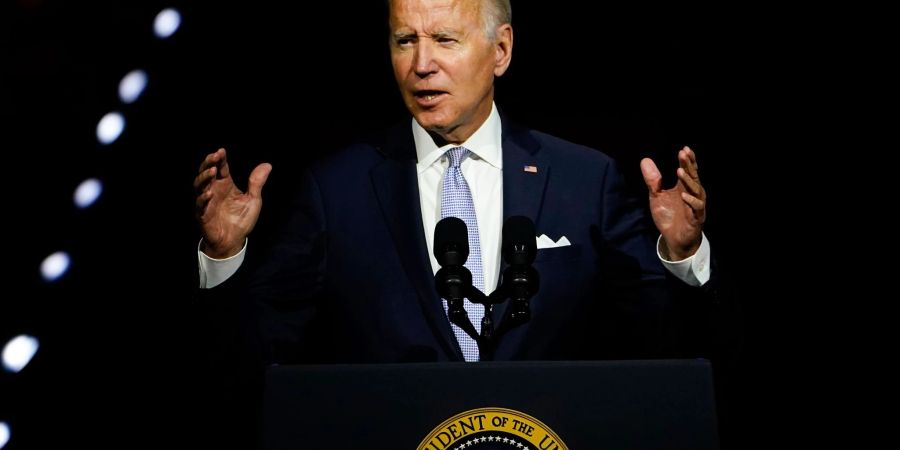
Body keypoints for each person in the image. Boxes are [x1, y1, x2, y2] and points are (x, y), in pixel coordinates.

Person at [193, 0, 724, 366]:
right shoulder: (337, 190)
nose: (422, 64)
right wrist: (226, 256)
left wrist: (684, 255)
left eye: (445, 39)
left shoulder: (584, 179)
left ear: (501, 50)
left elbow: (668, 346)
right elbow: (254, 356)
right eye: (405, 40)